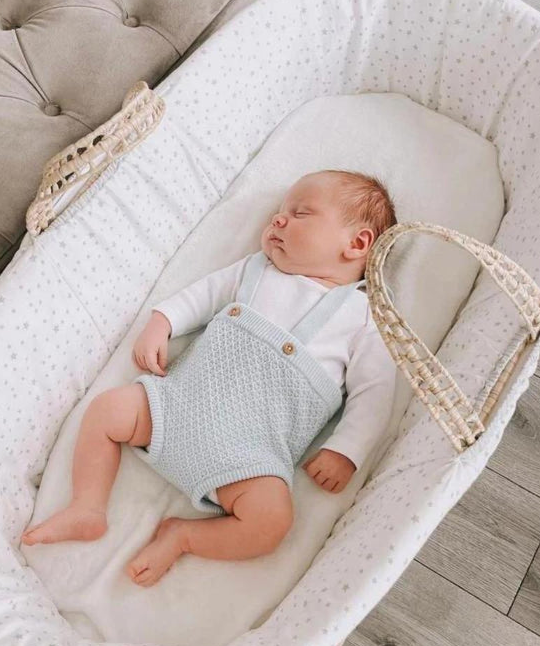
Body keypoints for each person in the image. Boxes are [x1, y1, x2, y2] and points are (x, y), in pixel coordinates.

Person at [21, 169, 398, 588]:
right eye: (278, 212)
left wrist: (346, 450)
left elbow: (374, 393)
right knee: (108, 409)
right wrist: (163, 323)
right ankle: (87, 506)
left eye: (300, 213)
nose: (278, 219)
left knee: (272, 523)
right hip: (176, 407)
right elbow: (202, 295)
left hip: (249, 456)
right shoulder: (256, 270)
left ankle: (183, 536)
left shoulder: (364, 319)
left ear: (357, 244)